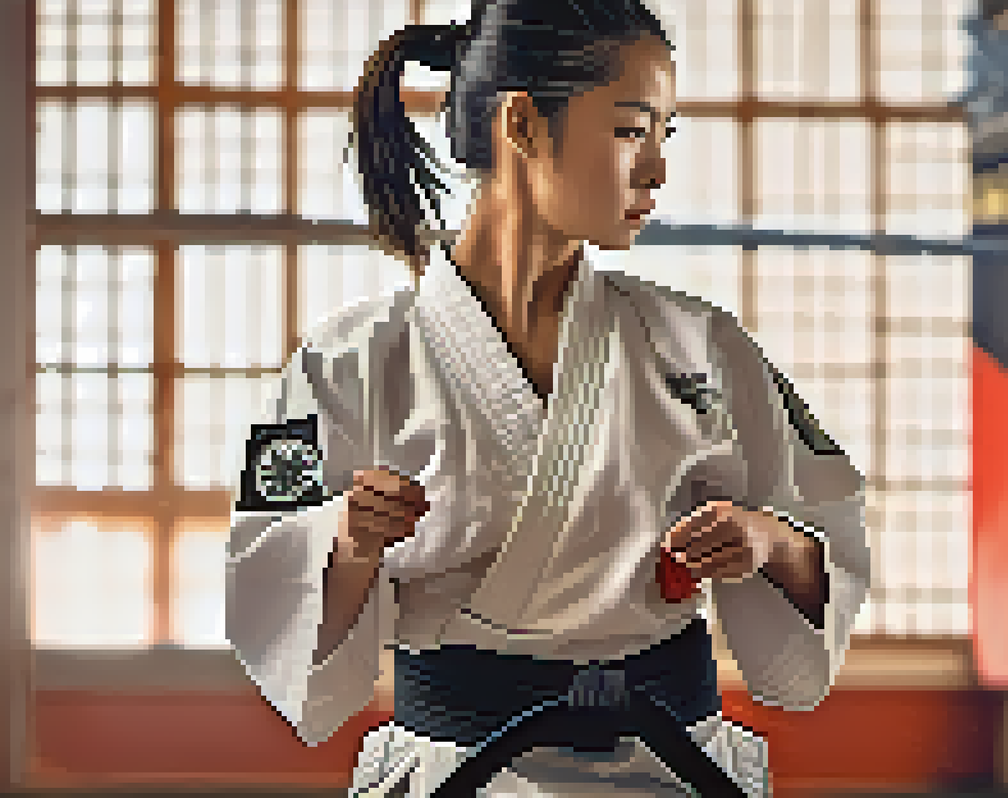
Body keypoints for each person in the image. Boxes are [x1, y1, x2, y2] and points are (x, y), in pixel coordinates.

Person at [223, 1, 870, 796]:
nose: (658, 171)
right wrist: (350, 544)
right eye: (631, 130)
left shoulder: (701, 344)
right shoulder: (350, 362)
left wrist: (769, 543)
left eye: (665, 137)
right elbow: (273, 597)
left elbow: (825, 535)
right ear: (523, 124)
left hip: (670, 766)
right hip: (461, 772)